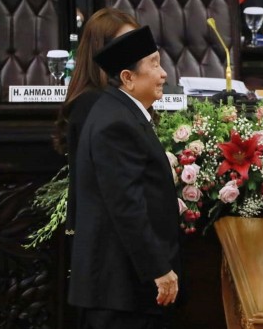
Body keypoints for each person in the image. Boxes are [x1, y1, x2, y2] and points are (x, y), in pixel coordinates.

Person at [68, 25, 180, 329]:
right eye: (154, 64)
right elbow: (126, 205)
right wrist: (159, 269)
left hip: (124, 290)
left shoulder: (119, 113)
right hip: (118, 293)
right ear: (128, 78)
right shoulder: (116, 124)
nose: (163, 74)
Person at [54, 7, 140, 235]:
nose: (134, 53)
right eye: (124, 45)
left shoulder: (120, 98)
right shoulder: (90, 104)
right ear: (100, 52)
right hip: (104, 235)